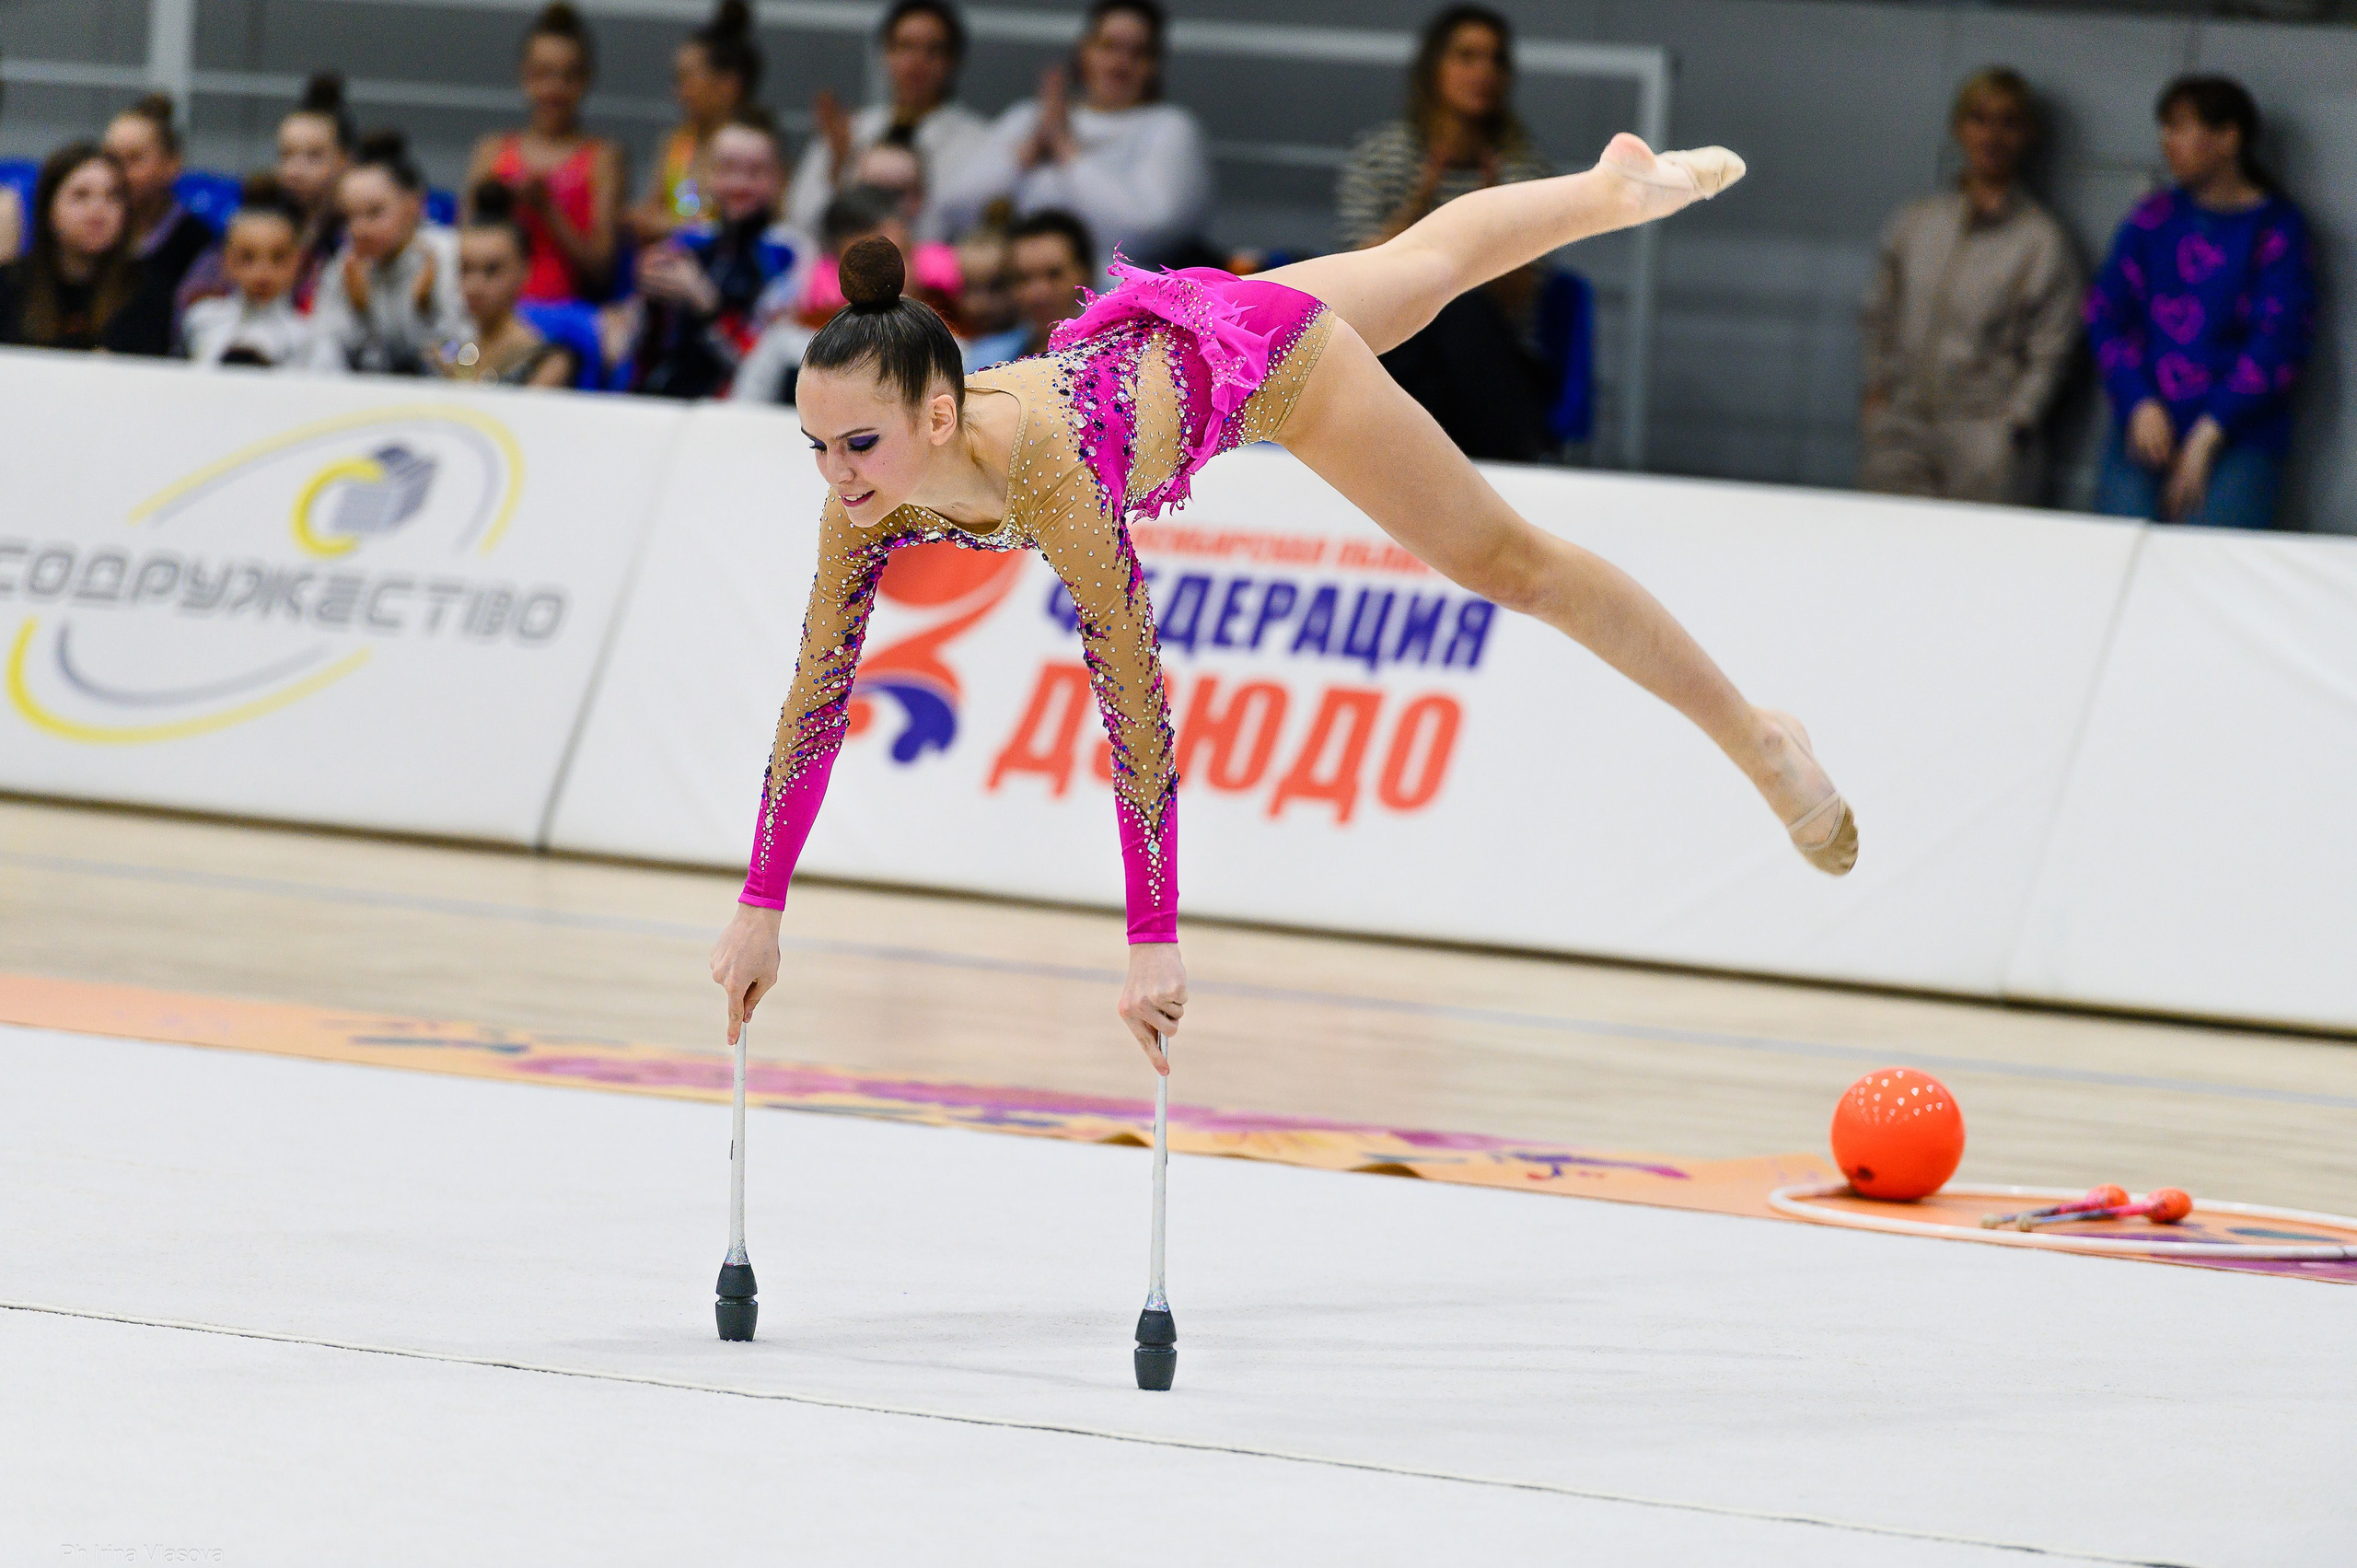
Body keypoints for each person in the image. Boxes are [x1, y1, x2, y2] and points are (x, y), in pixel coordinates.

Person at [708, 134, 1860, 1073]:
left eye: (858, 444)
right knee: (1422, 265)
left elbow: (1134, 703)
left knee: (1511, 563)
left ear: (938, 417)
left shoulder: (1050, 474)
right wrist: (761, 903)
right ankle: (1613, 187)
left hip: (1277, 368)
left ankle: (1758, 738)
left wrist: (1152, 938)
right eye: (816, 445)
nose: (836, 474)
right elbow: (816, 699)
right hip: (1187, 322)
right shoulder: (864, 504)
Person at [2086, 75, 2315, 529]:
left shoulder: (2276, 229)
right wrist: (2138, 402)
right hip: (2149, 419)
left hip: (2237, 432)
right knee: (2119, 540)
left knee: (2209, 551)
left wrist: (2210, 432)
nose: (2166, 142)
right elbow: (2105, 314)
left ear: (2228, 138)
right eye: (2164, 128)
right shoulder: (2151, 219)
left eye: (2179, 127)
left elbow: (2279, 341)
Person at [1335, 6, 1557, 461]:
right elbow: (1359, 283)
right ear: (1433, 66)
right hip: (1395, 346)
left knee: (1460, 311)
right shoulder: (1383, 153)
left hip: (1490, 352)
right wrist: (1420, 201)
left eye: (1496, 59)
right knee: (1430, 329)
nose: (1484, 72)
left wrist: (1492, 219)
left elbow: (1518, 300)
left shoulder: (1521, 166)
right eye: (1467, 56)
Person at [1858, 69, 2082, 507]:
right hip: (1900, 428)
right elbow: (1878, 312)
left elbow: (2053, 349)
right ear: (1960, 128)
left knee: (1977, 549)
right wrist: (1877, 391)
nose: (1992, 137)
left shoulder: (2041, 241)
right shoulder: (1916, 222)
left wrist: (2016, 424)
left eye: (2008, 122)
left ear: (2027, 134)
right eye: (1980, 119)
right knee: (1882, 541)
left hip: (1985, 440)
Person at [935, 0, 1211, 278]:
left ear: (1154, 65)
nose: (1120, 63)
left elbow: (1147, 229)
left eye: (1138, 52)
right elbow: (953, 210)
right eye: (1109, 46)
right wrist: (1031, 148)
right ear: (1084, 51)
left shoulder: (1170, 126)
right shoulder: (1029, 117)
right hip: (1008, 290)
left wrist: (1066, 150)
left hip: (1111, 293)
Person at [627, 110, 800, 399]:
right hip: (664, 396)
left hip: (738, 405)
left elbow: (763, 365)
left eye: (756, 172)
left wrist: (705, 303)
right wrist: (646, 302)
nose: (739, 184)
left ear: (778, 179)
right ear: (708, 174)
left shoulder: (788, 253)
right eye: (727, 168)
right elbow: (641, 349)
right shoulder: (688, 242)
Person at [784, 0, 988, 245]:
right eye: (905, 46)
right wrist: (836, 169)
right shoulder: (852, 128)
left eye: (933, 50)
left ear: (952, 60)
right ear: (886, 55)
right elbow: (800, 219)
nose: (917, 61)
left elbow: (970, 228)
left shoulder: (978, 140)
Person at [463, 2, 626, 304]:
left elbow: (601, 269)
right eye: (542, 74)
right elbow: (464, 247)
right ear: (524, 76)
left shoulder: (603, 157)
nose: (554, 89)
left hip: (567, 315)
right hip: (496, 310)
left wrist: (548, 209)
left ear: (585, 80)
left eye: (568, 77)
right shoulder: (493, 149)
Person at [315, 131, 470, 375]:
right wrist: (360, 311)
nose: (358, 229)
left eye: (374, 212)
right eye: (349, 217)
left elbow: (468, 356)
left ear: (413, 205)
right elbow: (322, 355)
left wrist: (425, 312)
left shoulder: (449, 256)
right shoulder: (345, 264)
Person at [0, 142, 171, 355]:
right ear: (48, 207)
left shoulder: (147, 292)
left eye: (113, 196)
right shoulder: (9, 284)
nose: (98, 210)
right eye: (80, 195)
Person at [628, 0, 761, 243]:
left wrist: (671, 227)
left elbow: (756, 226)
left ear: (729, 84)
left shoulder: (756, 152)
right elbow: (650, 212)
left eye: (687, 80)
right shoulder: (676, 145)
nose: (679, 93)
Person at [179, 177, 344, 372]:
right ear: (228, 261)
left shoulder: (314, 338)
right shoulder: (201, 321)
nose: (262, 272)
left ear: (297, 262)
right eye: (248, 257)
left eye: (278, 258)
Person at [432, 183, 579, 388]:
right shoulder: (447, 352)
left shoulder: (549, 362)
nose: (474, 286)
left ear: (525, 271)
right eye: (465, 269)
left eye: (492, 270)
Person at [100, 94, 216, 303]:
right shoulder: (94, 232)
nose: (119, 172)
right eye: (110, 159)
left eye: (134, 159)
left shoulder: (198, 246)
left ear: (172, 164)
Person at [970, 206, 1092, 367]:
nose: (1037, 293)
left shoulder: (1117, 352)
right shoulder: (984, 359)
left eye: (1054, 275)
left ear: (1085, 273)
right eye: (1023, 278)